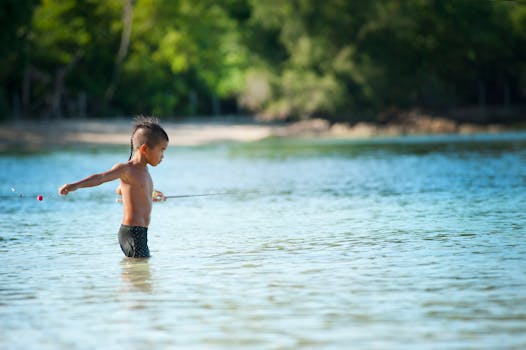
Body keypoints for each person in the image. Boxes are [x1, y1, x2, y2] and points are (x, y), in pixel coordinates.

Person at [58, 116, 169, 258]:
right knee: (140, 269)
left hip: (141, 233)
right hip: (132, 232)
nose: (163, 156)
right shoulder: (126, 169)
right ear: (145, 149)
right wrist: (75, 185)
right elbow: (101, 177)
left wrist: (151, 195)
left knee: (140, 273)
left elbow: (123, 190)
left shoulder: (144, 171)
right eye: (162, 150)